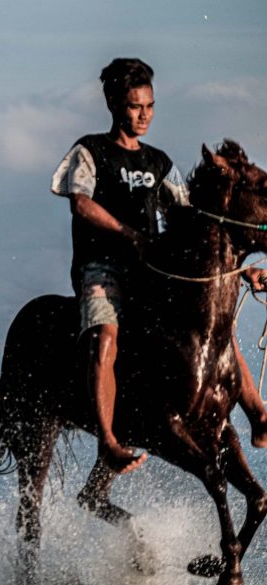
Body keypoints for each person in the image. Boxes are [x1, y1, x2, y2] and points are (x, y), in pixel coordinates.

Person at [51, 57, 267, 474]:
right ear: (114, 103)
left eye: (149, 105)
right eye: (135, 106)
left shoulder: (159, 162)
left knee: (213, 329)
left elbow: (193, 223)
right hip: (103, 269)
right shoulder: (90, 151)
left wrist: (241, 272)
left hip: (154, 269)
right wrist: (128, 234)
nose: (144, 114)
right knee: (106, 336)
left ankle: (258, 412)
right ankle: (109, 443)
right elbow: (80, 203)